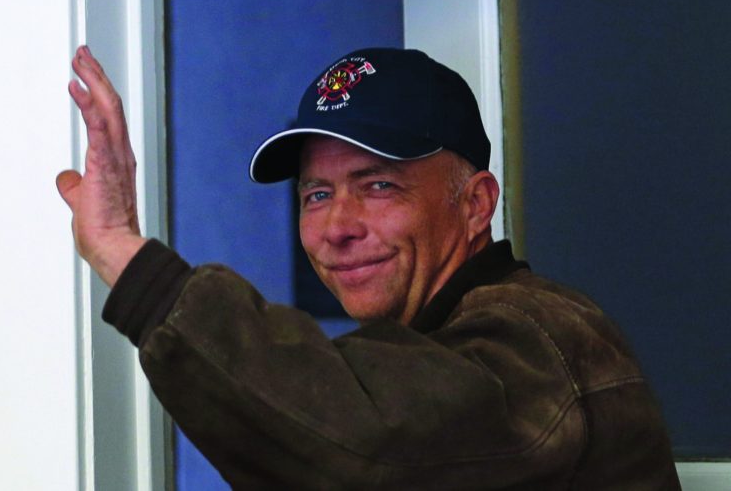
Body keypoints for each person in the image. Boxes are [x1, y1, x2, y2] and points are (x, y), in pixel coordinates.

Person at [57, 46, 681, 489]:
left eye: (379, 185)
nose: (337, 227)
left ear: (475, 204)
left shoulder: (540, 335)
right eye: (317, 195)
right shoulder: (424, 347)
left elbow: (370, 445)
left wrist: (118, 248)